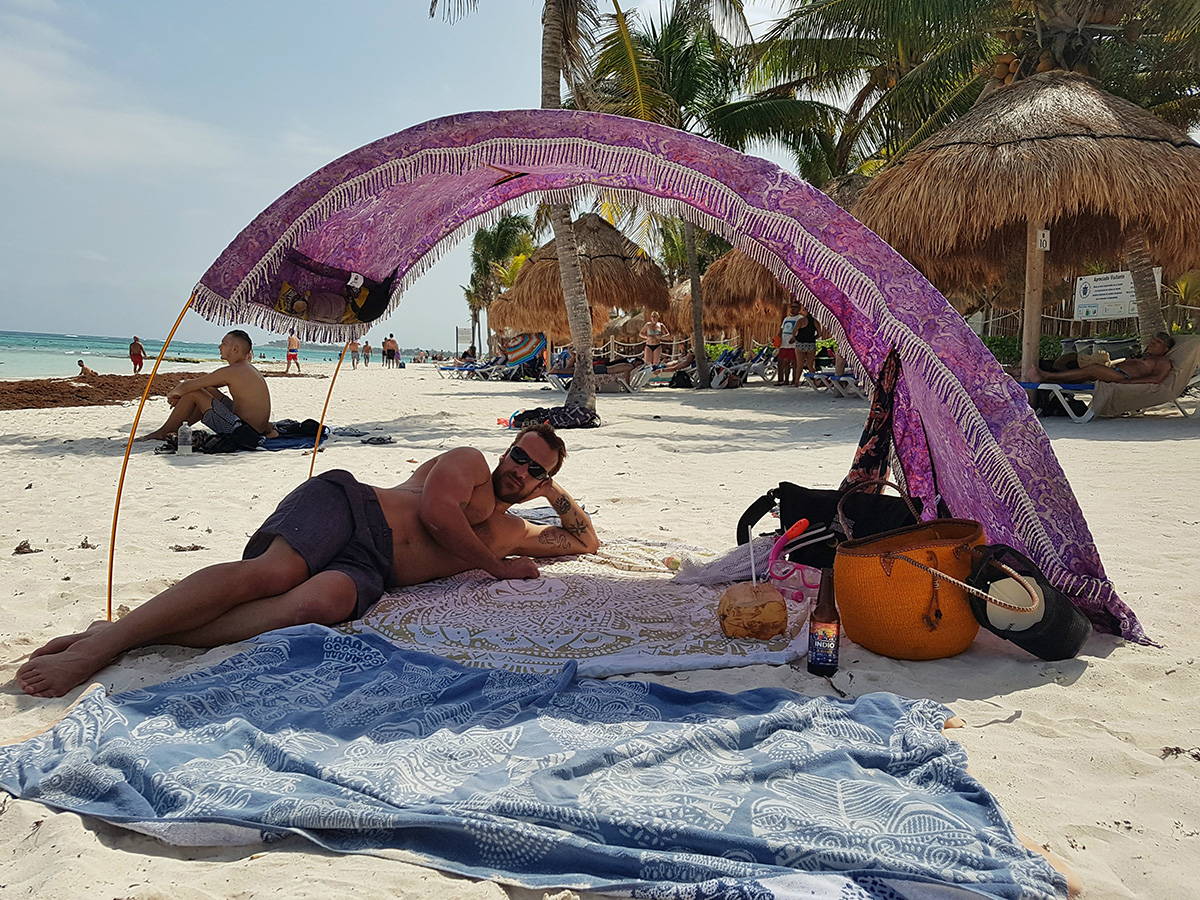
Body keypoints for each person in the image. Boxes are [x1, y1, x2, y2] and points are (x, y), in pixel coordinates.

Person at [15, 424, 598, 698]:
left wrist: (555, 497)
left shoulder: (511, 528)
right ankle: (105, 644)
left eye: (535, 470)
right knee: (272, 575)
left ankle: (121, 634)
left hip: (374, 568)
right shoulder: (468, 465)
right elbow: (438, 519)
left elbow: (584, 543)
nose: (519, 470)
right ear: (507, 449)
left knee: (319, 603)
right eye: (519, 456)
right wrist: (498, 569)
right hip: (349, 507)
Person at [136, 330, 273, 443]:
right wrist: (182, 391)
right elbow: (205, 384)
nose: (219, 347)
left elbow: (188, 386)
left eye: (223, 344)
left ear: (235, 349)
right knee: (207, 390)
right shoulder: (245, 368)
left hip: (243, 432)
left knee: (194, 393)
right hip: (254, 428)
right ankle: (177, 429)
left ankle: (164, 432)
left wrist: (173, 394)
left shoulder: (233, 371)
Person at [1037, 332, 1175, 385]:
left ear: (1166, 349)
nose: (1152, 344)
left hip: (1123, 377)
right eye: (1152, 340)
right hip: (1114, 370)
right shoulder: (1145, 356)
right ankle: (1052, 376)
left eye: (1157, 343)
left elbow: (1157, 379)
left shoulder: (1163, 362)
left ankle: (1048, 376)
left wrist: (1130, 382)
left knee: (1093, 370)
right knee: (1071, 359)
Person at [777, 300, 803, 386]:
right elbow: (781, 330)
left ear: (799, 309)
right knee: (784, 363)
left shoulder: (800, 318)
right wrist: (777, 338)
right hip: (784, 344)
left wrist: (795, 338)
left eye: (795, 307)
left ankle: (794, 380)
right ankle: (785, 380)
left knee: (794, 363)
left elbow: (801, 330)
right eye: (791, 307)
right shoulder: (786, 318)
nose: (792, 309)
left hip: (794, 344)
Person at [792, 303, 819, 376]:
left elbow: (794, 332)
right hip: (810, 344)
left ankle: (796, 382)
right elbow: (820, 334)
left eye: (803, 310)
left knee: (799, 365)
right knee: (810, 365)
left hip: (800, 343)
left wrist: (795, 339)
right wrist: (813, 338)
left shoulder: (801, 321)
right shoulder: (815, 321)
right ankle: (814, 381)